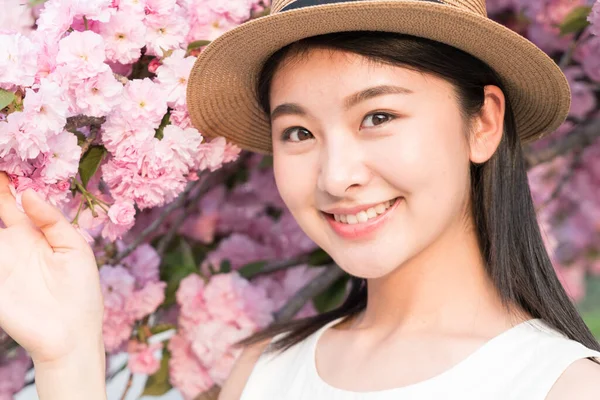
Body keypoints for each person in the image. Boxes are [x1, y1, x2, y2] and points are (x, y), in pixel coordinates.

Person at [0, 2, 598, 400]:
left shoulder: (561, 385)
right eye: (299, 133)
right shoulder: (264, 371)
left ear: (483, 123)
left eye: (379, 116)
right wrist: (68, 350)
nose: (336, 177)